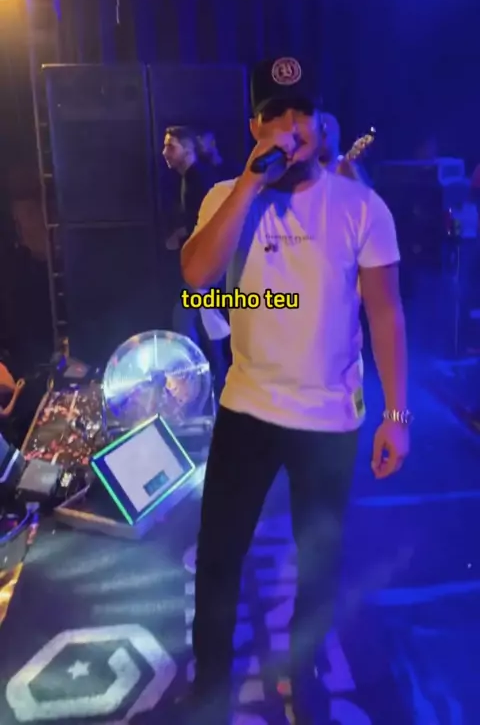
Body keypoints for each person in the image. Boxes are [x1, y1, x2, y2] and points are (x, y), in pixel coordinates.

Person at [180, 57, 410, 725]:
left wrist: (397, 414)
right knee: (219, 555)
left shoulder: (361, 206)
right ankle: (211, 684)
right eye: (273, 113)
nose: (290, 125)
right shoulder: (226, 195)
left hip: (328, 419)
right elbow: (197, 276)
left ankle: (301, 674)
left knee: (319, 561)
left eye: (301, 111)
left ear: (319, 119)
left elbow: (386, 314)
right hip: (247, 407)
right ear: (254, 125)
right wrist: (251, 183)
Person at [163, 126, 230, 400]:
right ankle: (215, 388)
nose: (165, 152)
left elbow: (210, 224)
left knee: (188, 320)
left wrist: (182, 238)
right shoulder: (191, 179)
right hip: (206, 266)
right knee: (206, 324)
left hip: (207, 267)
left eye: (171, 146)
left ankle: (197, 386)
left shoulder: (199, 180)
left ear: (188, 149)